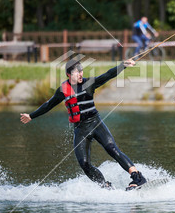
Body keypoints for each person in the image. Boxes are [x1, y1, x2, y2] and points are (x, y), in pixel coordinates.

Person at [20, 59, 147, 191]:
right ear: (68, 75)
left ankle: (138, 178)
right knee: (84, 164)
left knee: (112, 149)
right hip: (80, 129)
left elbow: (107, 75)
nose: (80, 74)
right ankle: (105, 186)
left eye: (81, 71)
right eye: (76, 72)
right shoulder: (63, 90)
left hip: (95, 123)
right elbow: (48, 105)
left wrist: (122, 66)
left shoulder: (88, 83)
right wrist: (31, 116)